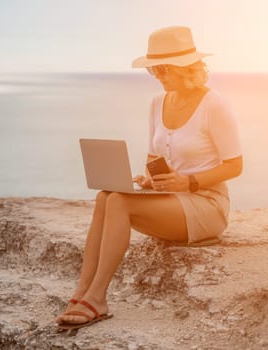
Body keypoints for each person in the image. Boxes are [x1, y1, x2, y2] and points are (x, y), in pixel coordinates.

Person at [56, 26, 243, 329]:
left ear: (184, 68)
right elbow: (154, 158)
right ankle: (81, 293)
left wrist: (189, 182)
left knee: (119, 203)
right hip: (173, 200)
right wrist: (151, 179)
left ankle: (98, 297)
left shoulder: (214, 104)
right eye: (153, 69)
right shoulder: (158, 102)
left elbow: (235, 166)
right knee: (105, 196)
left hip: (207, 205)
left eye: (162, 68)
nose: (156, 74)